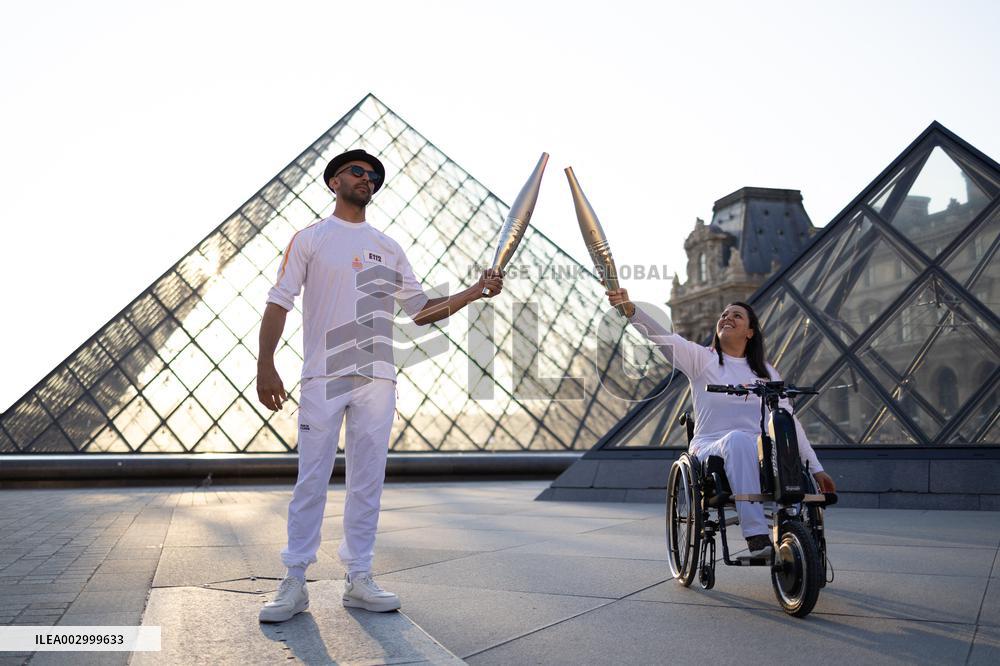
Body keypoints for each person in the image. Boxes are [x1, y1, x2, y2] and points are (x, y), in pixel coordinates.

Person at [256, 149, 503, 623]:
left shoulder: (388, 247)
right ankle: (294, 579)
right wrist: (265, 365)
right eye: (357, 172)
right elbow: (278, 302)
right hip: (321, 376)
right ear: (333, 181)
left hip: (378, 378)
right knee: (311, 478)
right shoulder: (309, 239)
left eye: (373, 176)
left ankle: (359, 577)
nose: (367, 179)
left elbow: (421, 310)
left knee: (367, 481)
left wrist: (475, 291)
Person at [607, 289, 836, 558]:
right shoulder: (701, 359)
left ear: (750, 332)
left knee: (775, 440)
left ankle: (790, 522)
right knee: (738, 439)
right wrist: (630, 309)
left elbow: (790, 422)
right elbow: (662, 338)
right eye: (724, 315)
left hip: (758, 448)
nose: (727, 318)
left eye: (737, 316)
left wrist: (817, 468)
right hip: (710, 447)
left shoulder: (766, 372)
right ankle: (756, 536)